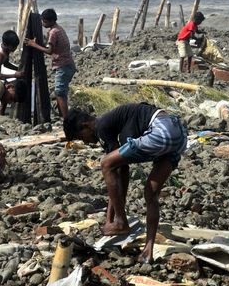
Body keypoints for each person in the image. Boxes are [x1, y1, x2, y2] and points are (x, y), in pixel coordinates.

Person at [64, 103, 185, 263]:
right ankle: (148, 251)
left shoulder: (101, 127)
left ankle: (121, 222)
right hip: (179, 135)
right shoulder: (112, 125)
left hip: (162, 131)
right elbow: (121, 171)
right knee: (151, 193)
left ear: (85, 126)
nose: (85, 142)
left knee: (106, 163)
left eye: (81, 137)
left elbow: (114, 167)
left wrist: (113, 221)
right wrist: (110, 219)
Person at [24, 8, 75, 120]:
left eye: (43, 21)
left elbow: (49, 51)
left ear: (49, 21)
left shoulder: (53, 32)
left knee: (59, 92)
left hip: (63, 66)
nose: (42, 23)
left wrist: (33, 44)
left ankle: (67, 120)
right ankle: (63, 114)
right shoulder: (58, 28)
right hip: (68, 64)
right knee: (61, 91)